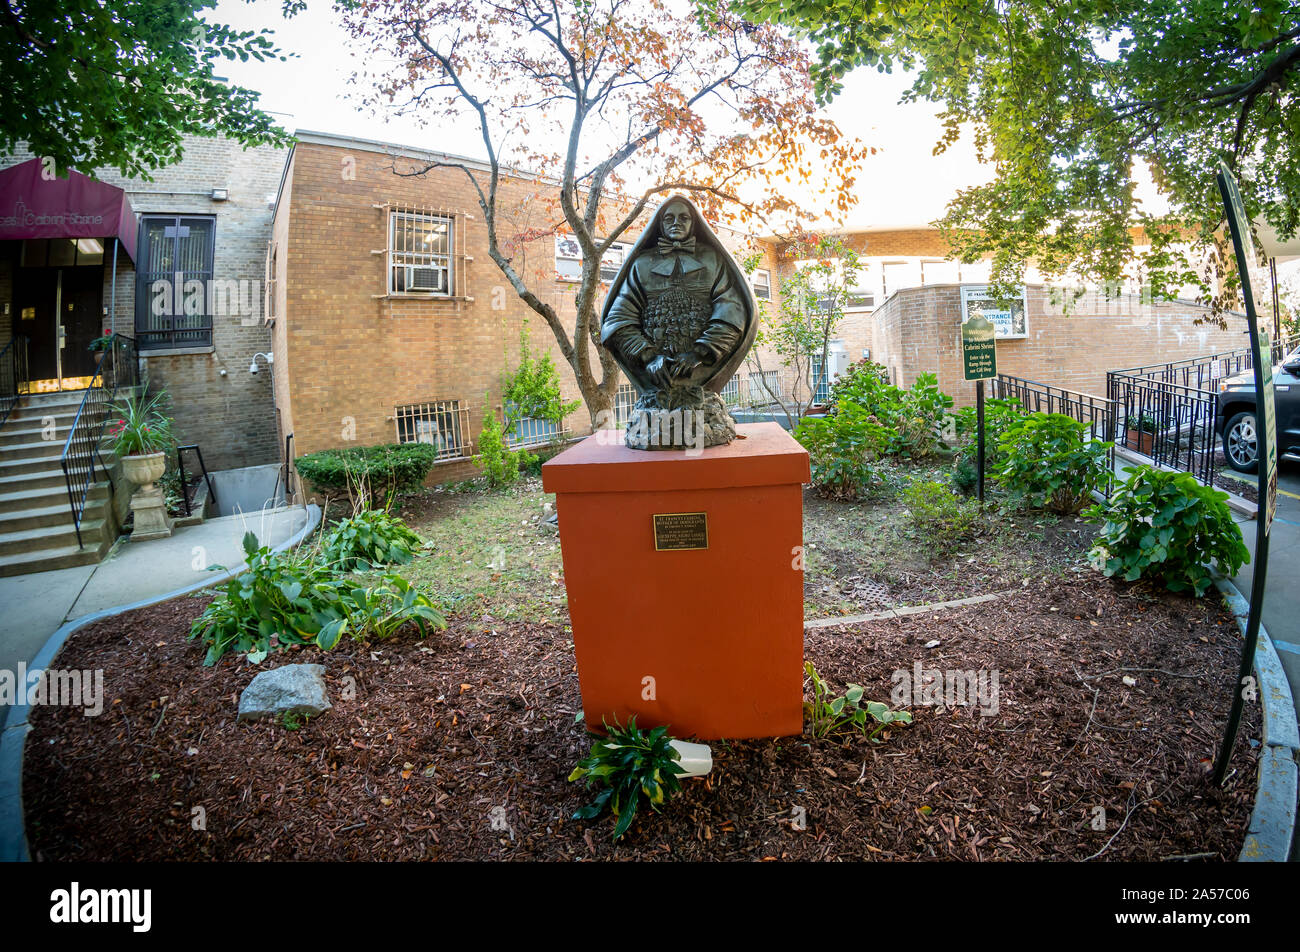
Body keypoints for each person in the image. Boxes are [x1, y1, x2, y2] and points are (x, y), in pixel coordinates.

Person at [601, 197, 752, 396]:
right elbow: (618, 318)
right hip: (655, 364)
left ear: (693, 223)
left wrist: (699, 353)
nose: (676, 223)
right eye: (669, 218)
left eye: (684, 218)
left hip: (699, 364)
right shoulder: (641, 264)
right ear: (660, 224)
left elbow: (732, 311)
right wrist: (648, 356)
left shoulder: (713, 260)